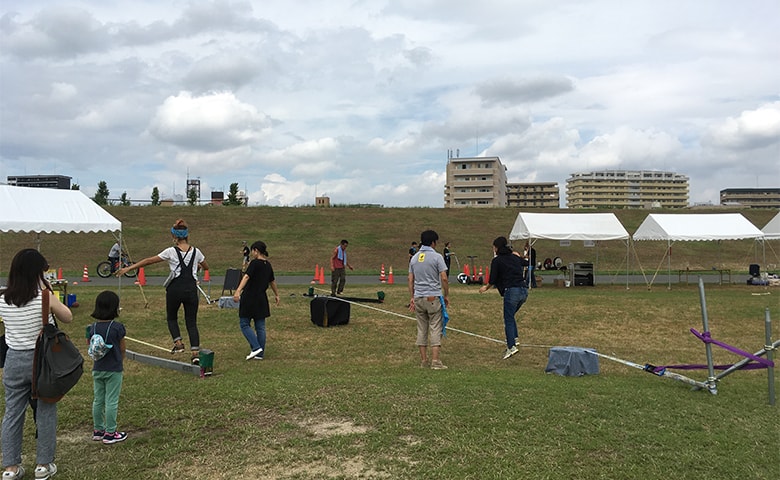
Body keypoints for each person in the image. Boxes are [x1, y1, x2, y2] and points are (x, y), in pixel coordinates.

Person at [1, 249, 73, 480]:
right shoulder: (44, 297)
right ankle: (43, 464)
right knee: (45, 410)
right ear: (37, 273)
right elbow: (67, 317)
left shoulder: (3, 298)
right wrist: (49, 293)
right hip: (41, 361)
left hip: (13, 359)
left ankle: (10, 467)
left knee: (12, 413)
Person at [117, 219, 209, 365]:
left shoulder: (170, 251)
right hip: (191, 290)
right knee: (191, 322)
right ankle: (195, 354)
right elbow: (206, 266)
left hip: (175, 289)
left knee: (172, 317)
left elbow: (148, 261)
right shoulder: (197, 252)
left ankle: (178, 343)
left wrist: (128, 268)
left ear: (174, 237)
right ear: (187, 236)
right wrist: (197, 266)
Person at [87, 291, 128, 445]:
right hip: (114, 369)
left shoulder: (93, 327)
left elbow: (90, 344)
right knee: (111, 400)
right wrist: (121, 359)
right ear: (115, 308)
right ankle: (111, 433)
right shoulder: (117, 327)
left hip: (97, 368)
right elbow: (122, 347)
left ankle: (98, 430)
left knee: (98, 399)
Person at [479, 237, 529, 360]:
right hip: (524, 291)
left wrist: (486, 287)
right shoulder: (514, 257)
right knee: (510, 316)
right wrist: (519, 256)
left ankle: (511, 347)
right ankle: (515, 338)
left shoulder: (497, 261)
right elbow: (527, 263)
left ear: (497, 247)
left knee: (508, 319)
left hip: (511, 291)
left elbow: (493, 279)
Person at [408, 230, 449, 370]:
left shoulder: (414, 258)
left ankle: (424, 360)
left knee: (421, 328)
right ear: (433, 242)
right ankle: (436, 361)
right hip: (433, 296)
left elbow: (410, 279)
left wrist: (412, 297)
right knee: (435, 327)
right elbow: (444, 277)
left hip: (418, 297)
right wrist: (446, 294)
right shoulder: (437, 257)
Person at [232, 241, 280, 361]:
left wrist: (238, 290)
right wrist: (277, 295)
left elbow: (247, 276)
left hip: (249, 297)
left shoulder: (254, 263)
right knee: (260, 326)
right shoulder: (267, 265)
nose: (252, 253)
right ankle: (260, 354)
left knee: (244, 323)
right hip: (261, 298)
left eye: (253, 251)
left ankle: (256, 347)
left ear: (256, 251)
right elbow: (272, 281)